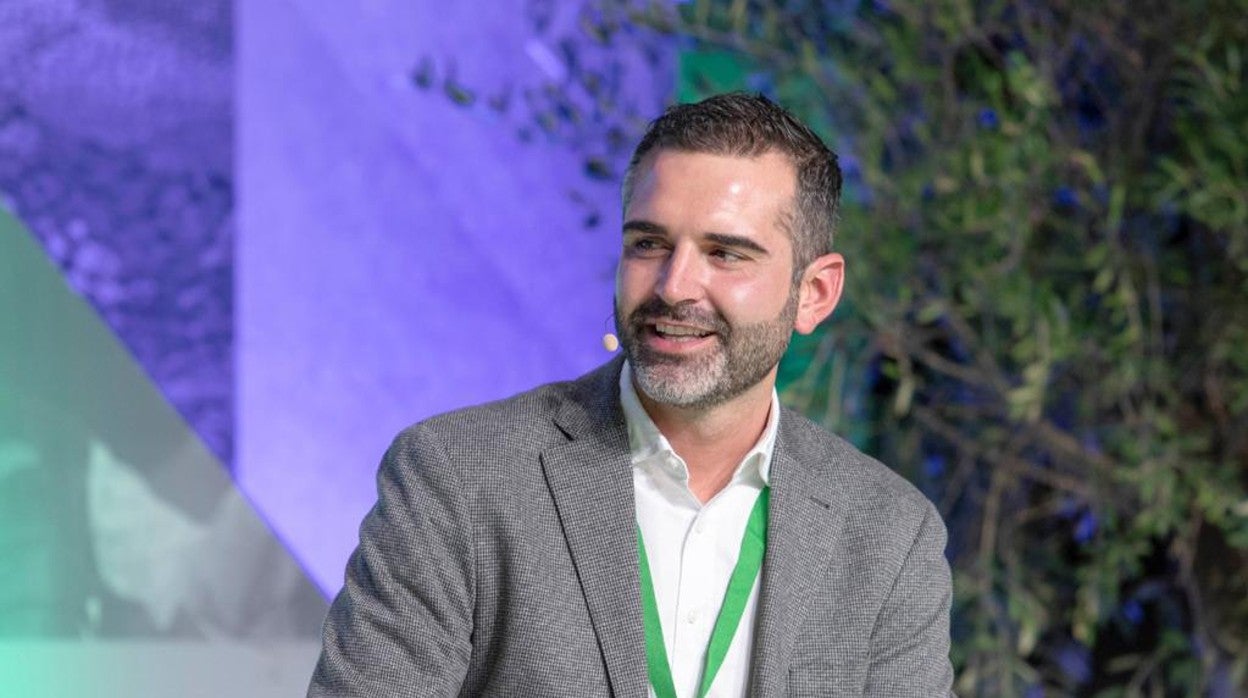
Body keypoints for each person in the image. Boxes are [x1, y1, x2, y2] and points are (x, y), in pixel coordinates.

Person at [309, 92, 954, 697]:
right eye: (649, 244)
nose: (674, 286)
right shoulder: (457, 476)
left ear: (813, 294)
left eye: (725, 254)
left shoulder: (890, 536)